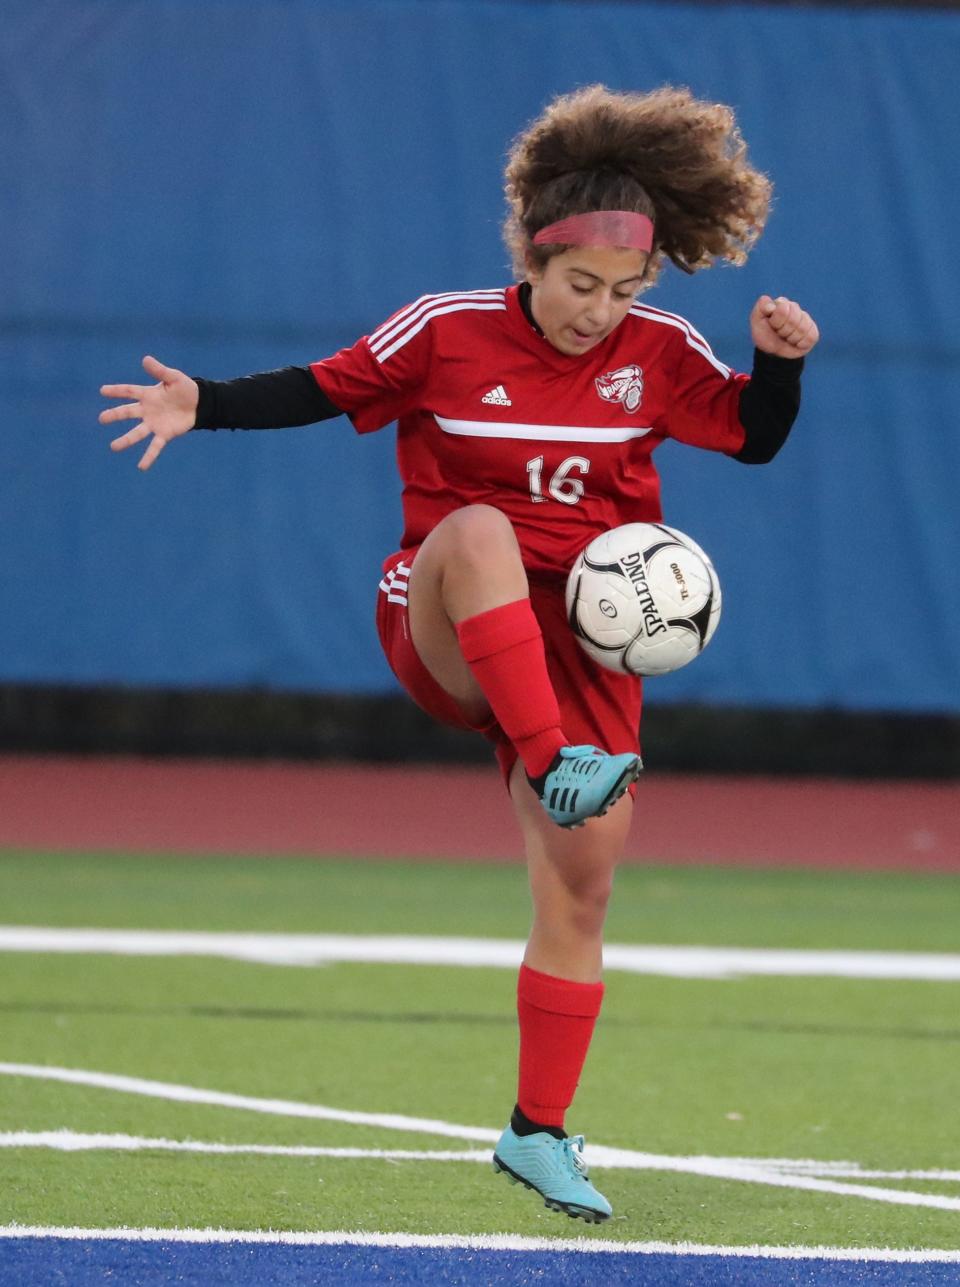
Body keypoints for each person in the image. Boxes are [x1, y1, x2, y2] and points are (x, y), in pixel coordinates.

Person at [100, 84, 819, 1224]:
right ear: (531, 256)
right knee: (477, 530)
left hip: (581, 645)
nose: (599, 311)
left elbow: (753, 437)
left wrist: (779, 366)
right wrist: (206, 404)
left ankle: (538, 1133)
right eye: (582, 284)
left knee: (581, 897)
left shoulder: (660, 350)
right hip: (449, 623)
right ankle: (548, 758)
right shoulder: (444, 330)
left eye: (624, 292)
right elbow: (324, 388)